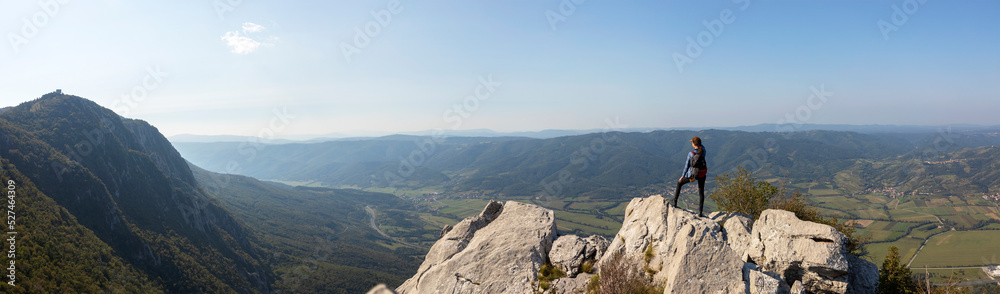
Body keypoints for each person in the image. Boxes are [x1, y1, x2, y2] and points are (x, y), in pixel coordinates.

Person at [671, 136, 708, 217]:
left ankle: (674, 201)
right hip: (702, 174)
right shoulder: (703, 150)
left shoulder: (691, 154)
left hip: (693, 175)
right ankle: (700, 211)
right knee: (701, 192)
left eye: (692, 142)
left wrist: (682, 176)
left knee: (679, 183)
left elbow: (686, 166)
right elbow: (702, 146)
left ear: (694, 144)